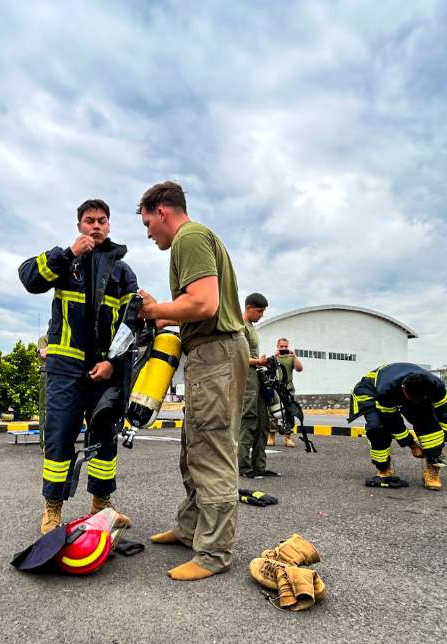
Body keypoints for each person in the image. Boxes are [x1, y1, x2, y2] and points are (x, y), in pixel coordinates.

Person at [137, 180, 247, 582]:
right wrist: (166, 314)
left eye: (148, 223)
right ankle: (190, 529)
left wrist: (154, 310)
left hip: (216, 353)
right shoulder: (192, 239)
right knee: (194, 446)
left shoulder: (190, 237)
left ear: (162, 211)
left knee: (211, 449)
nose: (148, 233)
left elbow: (205, 303)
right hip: (208, 354)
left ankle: (214, 552)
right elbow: (194, 308)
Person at [18, 199, 138, 535]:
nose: (96, 226)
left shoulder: (123, 272)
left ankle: (102, 504)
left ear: (110, 225)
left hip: (104, 372)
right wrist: (69, 252)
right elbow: (28, 278)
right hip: (64, 370)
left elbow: (131, 324)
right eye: (89, 221)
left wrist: (113, 363)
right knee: (59, 439)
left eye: (102, 221)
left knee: (104, 438)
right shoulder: (64, 261)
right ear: (79, 226)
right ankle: (52, 509)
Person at [347, 363, 447, 490]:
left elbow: (443, 412)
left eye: (419, 399)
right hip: (371, 391)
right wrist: (412, 446)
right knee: (378, 428)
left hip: (409, 391)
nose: (415, 402)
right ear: (404, 389)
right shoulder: (386, 390)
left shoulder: (436, 387)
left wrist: (442, 439)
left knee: (429, 426)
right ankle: (383, 469)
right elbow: (393, 422)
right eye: (412, 399)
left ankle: (432, 471)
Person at [239, 293, 273, 478]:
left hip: (257, 377)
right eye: (259, 311)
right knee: (249, 420)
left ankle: (259, 467)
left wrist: (262, 362)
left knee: (263, 421)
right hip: (247, 379)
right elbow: (238, 357)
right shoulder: (240, 326)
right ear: (249, 307)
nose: (261, 315)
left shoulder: (252, 328)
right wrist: (257, 362)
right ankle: (243, 468)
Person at [268, 338, 304, 449]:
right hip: (275, 389)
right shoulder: (273, 358)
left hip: (288, 389)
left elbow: (299, 369)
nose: (284, 348)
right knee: (272, 414)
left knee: (289, 413)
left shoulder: (290, 358)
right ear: (277, 346)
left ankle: (288, 438)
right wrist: (274, 356)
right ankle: (271, 437)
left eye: (285, 346)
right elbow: (268, 369)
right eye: (281, 346)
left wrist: (295, 357)